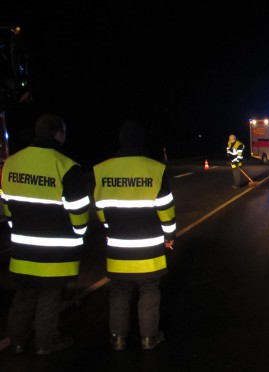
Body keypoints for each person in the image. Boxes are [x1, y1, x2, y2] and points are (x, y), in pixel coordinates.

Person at [2, 114, 90, 355]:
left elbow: (7, 205)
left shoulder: (12, 163)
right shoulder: (66, 165)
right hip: (55, 251)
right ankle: (46, 342)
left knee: (24, 295)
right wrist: (80, 234)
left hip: (22, 248)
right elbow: (79, 211)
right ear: (58, 134)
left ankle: (18, 342)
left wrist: (16, 228)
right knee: (50, 296)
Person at [92, 120, 176, 351]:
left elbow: (99, 208)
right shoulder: (155, 169)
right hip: (149, 246)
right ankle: (149, 338)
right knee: (149, 289)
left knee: (119, 289)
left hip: (118, 244)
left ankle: (118, 338)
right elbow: (166, 209)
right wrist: (169, 235)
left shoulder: (102, 169)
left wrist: (110, 229)